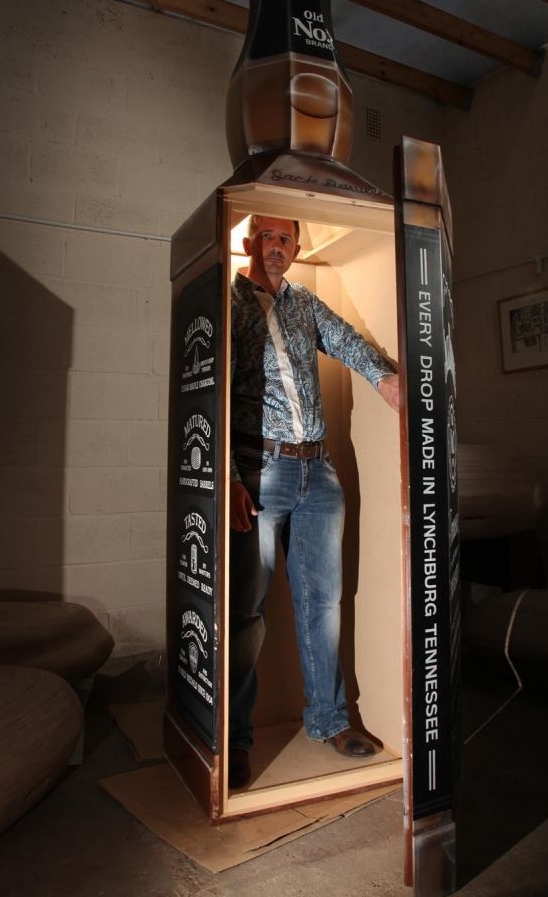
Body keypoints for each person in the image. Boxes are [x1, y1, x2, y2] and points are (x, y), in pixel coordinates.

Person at [228, 214, 402, 788]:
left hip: (318, 473)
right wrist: (229, 477)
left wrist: (386, 379)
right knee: (246, 612)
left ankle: (329, 720)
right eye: (267, 236)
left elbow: (347, 340)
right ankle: (234, 740)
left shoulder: (303, 303)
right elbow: (213, 391)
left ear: (297, 248)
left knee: (323, 603)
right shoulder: (230, 303)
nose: (276, 246)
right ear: (249, 242)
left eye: (286, 238)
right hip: (259, 470)